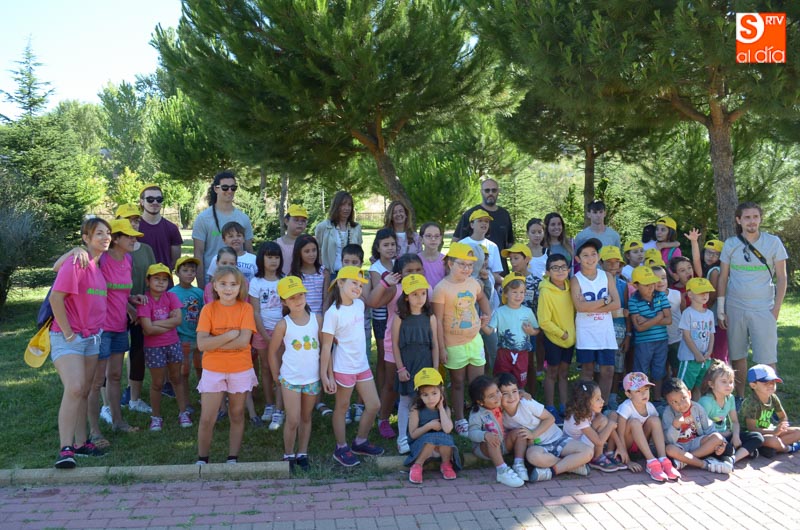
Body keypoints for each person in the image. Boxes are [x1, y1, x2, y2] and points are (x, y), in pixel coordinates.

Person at [50, 218, 111, 468]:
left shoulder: (97, 264)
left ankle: (81, 443)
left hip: (91, 338)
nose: (105, 237)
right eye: (99, 233)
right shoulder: (78, 260)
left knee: (83, 390)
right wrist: (68, 334)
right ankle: (65, 449)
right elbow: (56, 298)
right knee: (75, 388)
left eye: (108, 233)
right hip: (69, 337)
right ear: (86, 238)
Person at [717, 202, 788, 401]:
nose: (752, 221)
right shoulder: (731, 244)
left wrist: (776, 309)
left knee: (767, 359)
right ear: (738, 220)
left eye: (755, 217)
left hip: (764, 308)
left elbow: (782, 277)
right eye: (747, 217)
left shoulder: (773, 242)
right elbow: (723, 277)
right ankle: (739, 398)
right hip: (735, 307)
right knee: (737, 356)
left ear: (760, 219)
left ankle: (767, 402)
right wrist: (721, 309)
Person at [321, 266, 385, 466]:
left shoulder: (359, 305)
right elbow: (326, 347)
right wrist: (326, 375)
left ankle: (360, 442)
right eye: (354, 283)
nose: (358, 288)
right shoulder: (333, 313)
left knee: (374, 405)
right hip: (343, 368)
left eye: (360, 284)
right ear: (340, 283)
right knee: (342, 407)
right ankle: (341, 447)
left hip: (362, 365)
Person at [195, 265, 259, 465]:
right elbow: (201, 344)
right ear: (214, 286)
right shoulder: (208, 309)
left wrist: (215, 343)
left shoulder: (246, 309)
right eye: (223, 284)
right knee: (207, 417)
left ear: (240, 287)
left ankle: (232, 457)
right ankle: (202, 459)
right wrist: (230, 335)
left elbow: (243, 341)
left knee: (237, 414)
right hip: (213, 369)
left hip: (240, 368)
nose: (228, 288)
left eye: (233, 284)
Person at [432, 242, 492, 437]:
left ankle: (478, 415)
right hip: (453, 344)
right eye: (462, 264)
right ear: (450, 264)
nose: (467, 268)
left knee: (478, 383)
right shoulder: (441, 288)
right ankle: (459, 418)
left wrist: (487, 315)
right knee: (457, 382)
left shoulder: (473, 283)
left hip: (474, 340)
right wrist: (441, 348)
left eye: (470, 265)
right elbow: (437, 320)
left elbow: (482, 298)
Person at [372, 259, 431, 452]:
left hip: (418, 348)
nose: (414, 273)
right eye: (408, 270)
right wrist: (385, 283)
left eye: (418, 269)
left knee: (417, 388)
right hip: (394, 345)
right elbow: (373, 302)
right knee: (391, 385)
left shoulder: (425, 289)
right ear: (399, 273)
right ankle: (383, 419)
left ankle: (416, 425)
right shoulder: (395, 289)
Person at [267, 276, 322, 472]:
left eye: (300, 295)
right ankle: (289, 453)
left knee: (306, 417)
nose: (297, 300)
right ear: (284, 301)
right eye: (292, 297)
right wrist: (276, 375)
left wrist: (326, 373)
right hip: (290, 379)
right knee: (293, 419)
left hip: (312, 379)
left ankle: (302, 452)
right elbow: (272, 351)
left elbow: (325, 348)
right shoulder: (283, 324)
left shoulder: (317, 320)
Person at [498, 373, 593, 482]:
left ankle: (551, 471)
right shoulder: (502, 416)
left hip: (556, 439)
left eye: (514, 391)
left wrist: (533, 434)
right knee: (533, 457)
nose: (511, 397)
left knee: (587, 452)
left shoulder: (526, 403)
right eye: (505, 393)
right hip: (538, 447)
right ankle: (572, 466)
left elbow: (550, 418)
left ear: (519, 391)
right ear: (498, 395)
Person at [137, 264, 190, 431]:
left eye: (164, 279)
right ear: (148, 281)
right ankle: (156, 416)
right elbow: (148, 330)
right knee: (157, 383)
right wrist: (167, 322)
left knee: (176, 378)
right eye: (156, 278)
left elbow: (178, 320)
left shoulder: (171, 297)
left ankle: (183, 412)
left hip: (173, 343)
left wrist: (155, 323)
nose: (161, 282)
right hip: (154, 347)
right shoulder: (144, 300)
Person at [115, 205, 156, 416]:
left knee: (138, 352)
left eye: (136, 220)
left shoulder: (146, 249)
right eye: (129, 219)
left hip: (141, 309)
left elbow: (153, 279)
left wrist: (144, 308)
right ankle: (109, 401)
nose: (134, 223)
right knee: (113, 354)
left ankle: (135, 397)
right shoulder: (111, 253)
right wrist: (128, 306)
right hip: (116, 309)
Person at [571, 238, 620, 406]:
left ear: (598, 256)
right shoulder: (576, 280)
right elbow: (580, 307)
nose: (590, 258)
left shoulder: (606, 276)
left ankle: (602, 406)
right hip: (586, 331)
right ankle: (585, 406)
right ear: (578, 259)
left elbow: (617, 303)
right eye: (585, 255)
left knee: (608, 370)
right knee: (587, 370)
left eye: (593, 254)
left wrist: (590, 306)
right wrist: (605, 301)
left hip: (605, 331)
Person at [615, 372, 681, 482]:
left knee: (655, 420)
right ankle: (651, 462)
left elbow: (656, 430)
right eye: (638, 391)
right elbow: (620, 434)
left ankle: (663, 459)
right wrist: (627, 461)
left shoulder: (650, 407)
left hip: (641, 446)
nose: (644, 394)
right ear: (628, 394)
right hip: (627, 445)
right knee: (634, 422)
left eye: (646, 389)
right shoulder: (626, 407)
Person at [193, 171, 254, 288]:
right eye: (225, 187)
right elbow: (198, 254)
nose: (229, 191)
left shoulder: (243, 218)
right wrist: (201, 286)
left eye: (233, 188)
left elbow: (249, 250)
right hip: (213, 282)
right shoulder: (203, 218)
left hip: (239, 284)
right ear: (216, 189)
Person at [698, 360, 763, 466]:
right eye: (723, 382)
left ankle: (733, 458)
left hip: (726, 435)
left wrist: (736, 436)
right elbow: (700, 429)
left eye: (731, 382)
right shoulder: (706, 402)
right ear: (711, 384)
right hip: (711, 439)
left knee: (757, 437)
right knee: (726, 448)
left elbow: (734, 421)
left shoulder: (730, 398)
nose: (728, 385)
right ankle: (741, 452)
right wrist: (722, 435)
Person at [661, 377, 732, 474]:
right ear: (669, 403)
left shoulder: (697, 408)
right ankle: (704, 464)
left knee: (718, 438)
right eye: (674, 402)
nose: (681, 404)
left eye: (683, 398)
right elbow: (669, 441)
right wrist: (675, 425)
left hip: (696, 443)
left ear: (689, 394)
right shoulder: (668, 413)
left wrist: (720, 444)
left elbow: (709, 429)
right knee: (669, 449)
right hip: (679, 447)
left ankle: (685, 460)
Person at [249, 242, 285, 429]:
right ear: (261, 259)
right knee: (265, 367)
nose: (273, 261)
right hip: (262, 331)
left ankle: (279, 409)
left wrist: (277, 336)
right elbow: (255, 311)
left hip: (281, 331)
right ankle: (269, 404)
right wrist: (265, 335)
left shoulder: (284, 280)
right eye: (269, 257)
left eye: (276, 257)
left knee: (279, 369)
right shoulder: (256, 282)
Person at [481, 273, 539, 387]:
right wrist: (482, 325)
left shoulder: (527, 312)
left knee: (520, 383)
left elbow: (537, 329)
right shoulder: (499, 312)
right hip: (504, 353)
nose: (518, 296)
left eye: (522, 292)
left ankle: (519, 396)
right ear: (505, 293)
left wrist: (531, 332)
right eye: (514, 292)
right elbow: (489, 331)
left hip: (522, 353)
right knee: (501, 381)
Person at [467, 376, 525, 487]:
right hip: (485, 449)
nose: (497, 397)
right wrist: (485, 435)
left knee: (520, 432)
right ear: (480, 402)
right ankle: (502, 470)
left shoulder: (499, 403)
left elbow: (512, 397)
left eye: (497, 392)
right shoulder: (477, 414)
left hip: (504, 444)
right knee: (492, 438)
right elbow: (472, 433)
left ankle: (519, 464)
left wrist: (523, 394)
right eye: (491, 396)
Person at [366, 229, 398, 437]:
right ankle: (381, 394)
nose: (390, 248)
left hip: (397, 313)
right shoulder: (375, 268)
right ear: (378, 247)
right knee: (383, 358)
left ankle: (395, 397)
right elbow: (380, 292)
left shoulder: (399, 263)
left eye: (393, 244)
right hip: (381, 316)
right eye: (386, 245)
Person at [537, 253, 575, 424]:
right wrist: (561, 333)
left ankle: (564, 406)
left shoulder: (570, 286)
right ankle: (550, 406)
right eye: (555, 268)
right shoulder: (545, 291)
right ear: (548, 272)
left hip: (570, 339)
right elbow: (544, 321)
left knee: (564, 373)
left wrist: (570, 335)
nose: (560, 271)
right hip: (554, 338)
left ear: (568, 269)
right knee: (552, 373)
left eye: (563, 267)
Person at [405, 368, 459, 484]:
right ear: (419, 395)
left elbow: (448, 429)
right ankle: (417, 465)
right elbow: (413, 435)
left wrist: (441, 408)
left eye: (434, 393)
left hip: (440, 448)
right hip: (421, 446)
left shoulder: (445, 409)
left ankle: (446, 464)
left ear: (441, 391)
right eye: (425, 395)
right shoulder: (415, 410)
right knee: (430, 440)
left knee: (447, 439)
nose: (430, 398)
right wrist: (429, 426)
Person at [452, 178, 515, 274]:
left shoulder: (504, 215)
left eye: (494, 190)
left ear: (498, 192)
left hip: (499, 270)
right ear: (481, 192)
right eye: (487, 190)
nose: (490, 193)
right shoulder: (470, 214)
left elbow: (510, 244)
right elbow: (455, 242)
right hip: (471, 273)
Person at [628, 266, 671, 403]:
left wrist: (647, 320)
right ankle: (639, 401)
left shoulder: (661, 295)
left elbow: (669, 320)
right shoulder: (633, 301)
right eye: (646, 284)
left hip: (662, 340)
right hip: (643, 342)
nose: (651, 286)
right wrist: (658, 317)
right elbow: (639, 328)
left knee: (659, 370)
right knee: (641, 372)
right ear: (636, 285)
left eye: (652, 282)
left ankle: (657, 399)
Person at [169, 256, 204, 417]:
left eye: (192, 270)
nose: (189, 274)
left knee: (201, 369)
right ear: (177, 273)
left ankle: (204, 397)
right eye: (185, 270)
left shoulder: (199, 293)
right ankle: (186, 402)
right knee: (183, 372)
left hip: (199, 339)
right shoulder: (171, 294)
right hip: (181, 340)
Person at [563, 380, 625, 472]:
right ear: (586, 402)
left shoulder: (588, 410)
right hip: (573, 448)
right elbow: (599, 442)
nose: (603, 401)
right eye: (598, 399)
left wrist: (620, 447)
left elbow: (604, 422)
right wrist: (610, 425)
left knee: (603, 419)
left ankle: (606, 453)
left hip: (580, 441)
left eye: (601, 397)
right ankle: (597, 458)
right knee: (604, 421)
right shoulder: (580, 417)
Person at [685, 230, 727, 363]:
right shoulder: (707, 269)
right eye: (708, 252)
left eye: (716, 254)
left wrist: (702, 310)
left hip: (716, 317)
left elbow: (713, 295)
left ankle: (721, 373)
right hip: (712, 317)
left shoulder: (715, 271)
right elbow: (696, 260)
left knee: (718, 352)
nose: (711, 256)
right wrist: (694, 242)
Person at [740, 365, 800, 455]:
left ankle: (769, 449)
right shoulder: (751, 403)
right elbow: (752, 429)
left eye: (773, 382)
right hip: (752, 436)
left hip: (770, 431)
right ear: (753, 385)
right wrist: (774, 432)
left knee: (798, 432)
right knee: (773, 440)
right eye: (765, 383)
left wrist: (781, 427)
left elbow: (783, 417)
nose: (771, 385)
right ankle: (788, 448)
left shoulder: (773, 397)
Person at [598, 245, 630, 408]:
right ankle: (597, 397)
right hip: (598, 329)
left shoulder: (623, 285)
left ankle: (612, 397)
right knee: (599, 367)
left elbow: (626, 311)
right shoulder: (596, 283)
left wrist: (628, 335)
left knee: (617, 366)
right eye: (608, 262)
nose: (612, 265)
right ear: (601, 263)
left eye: (616, 262)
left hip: (619, 330)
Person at [676, 278, 716, 400]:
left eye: (707, 292)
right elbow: (686, 335)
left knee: (699, 386)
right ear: (690, 294)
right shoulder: (688, 313)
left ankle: (696, 408)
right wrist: (696, 354)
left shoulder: (709, 314)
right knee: (683, 387)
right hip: (690, 358)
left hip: (705, 358)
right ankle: (679, 409)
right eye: (700, 292)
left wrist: (709, 351)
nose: (705, 295)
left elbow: (711, 334)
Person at [137, 184, 183, 278]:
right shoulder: (134, 228)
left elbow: (175, 261)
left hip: (164, 282)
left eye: (159, 199)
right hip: (140, 282)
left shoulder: (172, 228)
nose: (155, 202)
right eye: (150, 199)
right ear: (141, 202)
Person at [314, 190, 363, 277]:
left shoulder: (356, 228)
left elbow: (359, 252)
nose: (347, 208)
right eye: (343, 204)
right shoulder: (323, 227)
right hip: (330, 275)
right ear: (336, 206)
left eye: (349, 205)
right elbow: (318, 252)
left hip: (352, 274)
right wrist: (324, 272)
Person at [457, 209, 503, 287]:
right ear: (472, 225)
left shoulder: (493, 246)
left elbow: (496, 272)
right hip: (465, 286)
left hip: (487, 288)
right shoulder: (461, 244)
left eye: (486, 221)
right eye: (480, 220)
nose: (484, 223)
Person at [290, 234, 329, 315]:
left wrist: (325, 319)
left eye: (314, 250)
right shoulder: (294, 275)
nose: (312, 254)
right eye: (307, 251)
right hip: (302, 318)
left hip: (320, 317)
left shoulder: (324, 273)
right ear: (299, 253)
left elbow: (326, 300)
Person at [276, 205, 309, 276]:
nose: (300, 223)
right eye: (296, 220)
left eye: (303, 221)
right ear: (286, 221)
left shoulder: (309, 244)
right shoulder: (277, 244)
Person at [417, 222, 446, 288]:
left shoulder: (446, 260)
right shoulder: (416, 260)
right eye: (428, 236)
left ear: (440, 239)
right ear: (421, 239)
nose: (433, 239)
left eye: (436, 236)